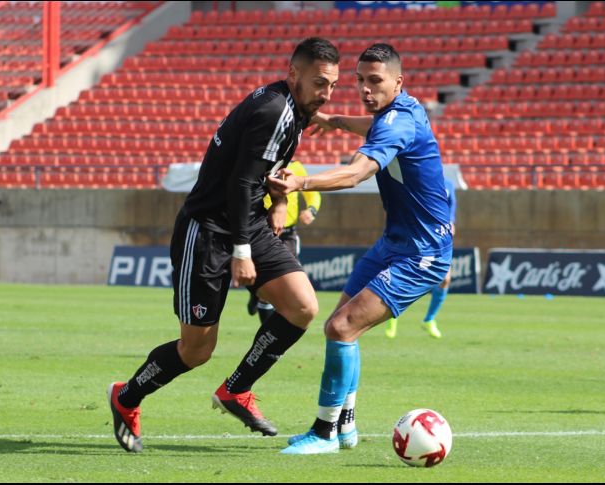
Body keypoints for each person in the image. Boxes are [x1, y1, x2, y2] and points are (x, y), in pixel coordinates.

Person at [106, 38, 340, 453]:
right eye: (320, 83)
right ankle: (126, 397)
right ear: (293, 75)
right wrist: (242, 250)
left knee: (302, 306)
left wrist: (279, 202)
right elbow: (241, 181)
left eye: (332, 85)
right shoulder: (275, 111)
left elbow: (265, 168)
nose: (327, 94)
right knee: (196, 350)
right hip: (209, 232)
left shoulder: (294, 109)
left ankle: (236, 389)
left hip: (249, 221)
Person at [267, 43, 453, 455]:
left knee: (341, 327)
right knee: (340, 327)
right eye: (360, 81)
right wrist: (333, 120)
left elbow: (355, 174)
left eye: (375, 81)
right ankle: (345, 425)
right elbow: (373, 125)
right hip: (394, 243)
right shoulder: (403, 111)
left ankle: (324, 433)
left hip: (421, 254)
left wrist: (301, 182)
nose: (365, 89)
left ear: (397, 82)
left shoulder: (397, 124)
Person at [247, 160, 322, 324]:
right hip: (264, 230)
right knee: (267, 280)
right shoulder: (264, 165)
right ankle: (259, 296)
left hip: (287, 234)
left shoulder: (296, 167)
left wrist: (311, 210)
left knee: (287, 281)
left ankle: (260, 298)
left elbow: (313, 194)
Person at [386, 177, 456, 339]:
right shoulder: (418, 180)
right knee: (403, 277)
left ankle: (429, 319)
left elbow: (452, 209)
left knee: (445, 280)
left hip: (439, 240)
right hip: (415, 236)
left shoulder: (448, 185)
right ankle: (392, 316)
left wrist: (452, 224)